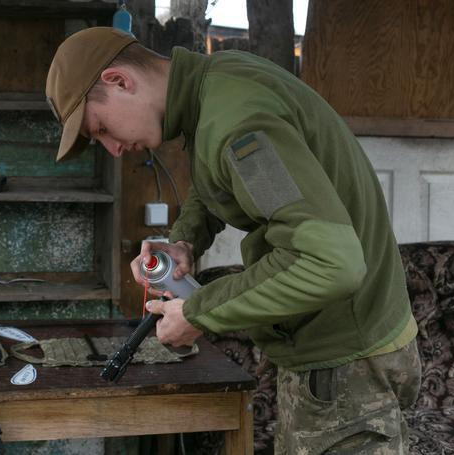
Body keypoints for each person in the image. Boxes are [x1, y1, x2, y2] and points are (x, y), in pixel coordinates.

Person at [45, 27, 421, 454]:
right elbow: (226, 179)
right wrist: (186, 240)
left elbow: (330, 262)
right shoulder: (218, 83)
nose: (112, 149)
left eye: (100, 129)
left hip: (345, 360)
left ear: (119, 81)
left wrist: (198, 312)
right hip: (349, 342)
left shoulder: (236, 123)